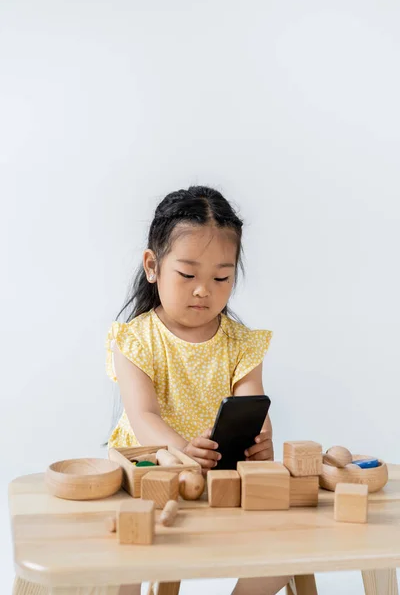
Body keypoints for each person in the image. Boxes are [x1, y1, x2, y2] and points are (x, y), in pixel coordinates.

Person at [105, 186, 291, 595]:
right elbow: (143, 416)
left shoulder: (241, 343)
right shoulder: (135, 339)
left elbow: (250, 403)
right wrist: (182, 451)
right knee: (126, 558)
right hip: (147, 475)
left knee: (287, 552)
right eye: (188, 275)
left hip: (217, 476)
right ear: (153, 266)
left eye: (221, 277)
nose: (204, 289)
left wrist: (261, 438)